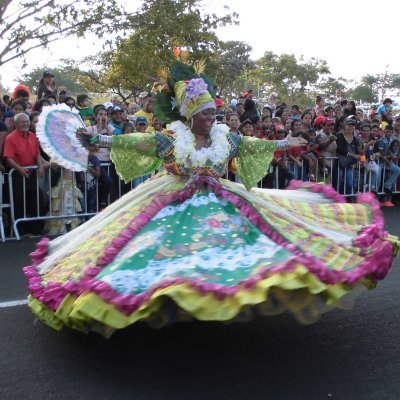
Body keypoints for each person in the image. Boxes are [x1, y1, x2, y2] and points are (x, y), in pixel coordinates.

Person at [23, 61, 398, 337]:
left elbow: (255, 144)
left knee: (262, 241)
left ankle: (217, 299)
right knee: (150, 252)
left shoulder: (225, 136)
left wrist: (287, 142)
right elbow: (131, 141)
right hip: (171, 199)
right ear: (190, 115)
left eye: (213, 112)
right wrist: (98, 140)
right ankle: (170, 302)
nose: (211, 117)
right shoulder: (171, 139)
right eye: (205, 113)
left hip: (221, 199)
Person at [3, 113, 44, 235]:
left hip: (32, 173)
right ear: (16, 124)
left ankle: (36, 229)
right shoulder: (10, 138)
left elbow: (37, 153)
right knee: (19, 203)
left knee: (36, 200)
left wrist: (41, 165)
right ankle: (19, 230)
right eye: (22, 122)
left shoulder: (32, 135)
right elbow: (8, 158)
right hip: (17, 175)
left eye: (27, 121)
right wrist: (19, 168)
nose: (26, 124)